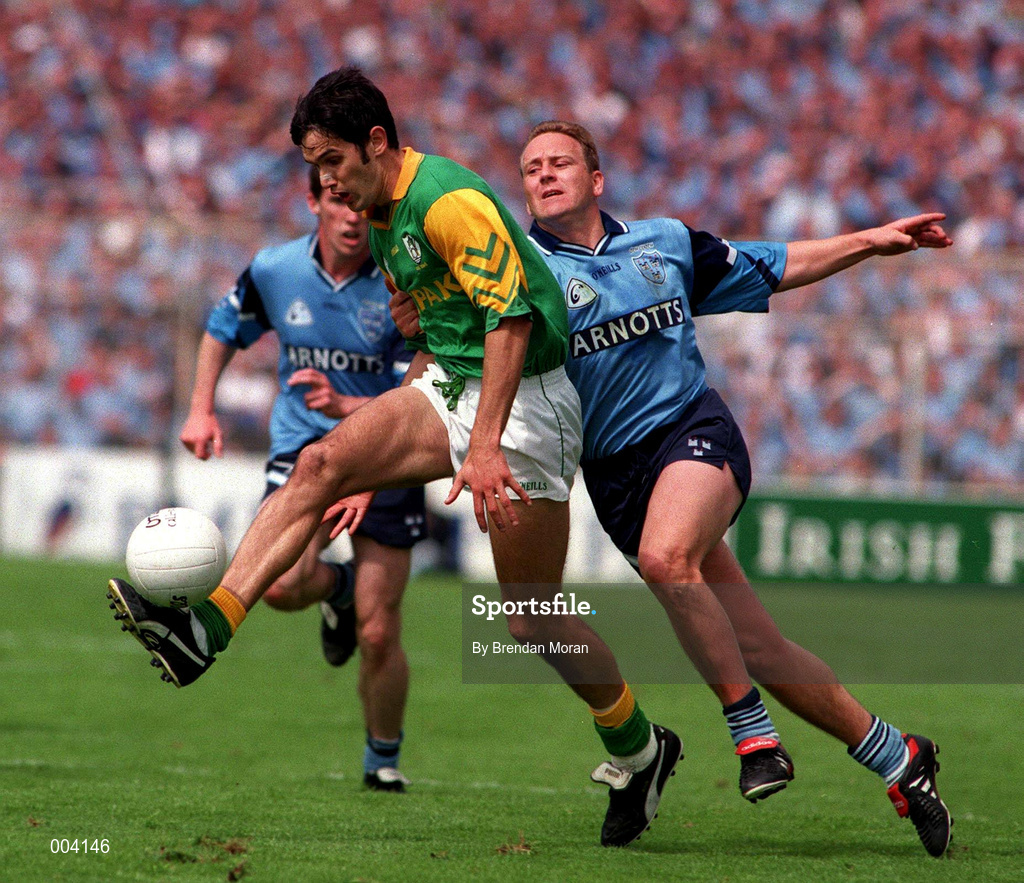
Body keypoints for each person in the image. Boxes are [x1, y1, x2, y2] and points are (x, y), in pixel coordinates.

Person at [106, 67, 680, 848]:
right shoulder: (378, 211)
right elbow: (441, 331)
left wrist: (479, 450)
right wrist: (384, 440)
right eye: (315, 165)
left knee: (531, 617)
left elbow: (510, 321)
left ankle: (641, 748)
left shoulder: (447, 202)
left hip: (529, 402)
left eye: (333, 159)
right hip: (452, 383)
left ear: (376, 142)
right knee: (319, 467)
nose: (326, 181)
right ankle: (205, 628)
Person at [515, 120, 953, 857]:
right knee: (761, 644)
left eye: (561, 162)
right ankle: (899, 757)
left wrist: (870, 241)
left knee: (665, 559)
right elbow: (446, 343)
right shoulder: (521, 274)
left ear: (596, 179)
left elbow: (774, 262)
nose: (545, 173)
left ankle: (752, 735)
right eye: (531, 168)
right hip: (616, 476)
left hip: (694, 432)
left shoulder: (664, 242)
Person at [175, 167, 426, 791]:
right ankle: (336, 589)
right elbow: (219, 329)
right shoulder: (274, 269)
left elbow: (418, 391)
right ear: (312, 202)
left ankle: (381, 759)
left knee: (377, 630)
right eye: (334, 201)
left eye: (358, 204)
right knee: (283, 587)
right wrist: (201, 407)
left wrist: (346, 406)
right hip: (302, 452)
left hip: (389, 458)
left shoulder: (403, 282)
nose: (348, 216)